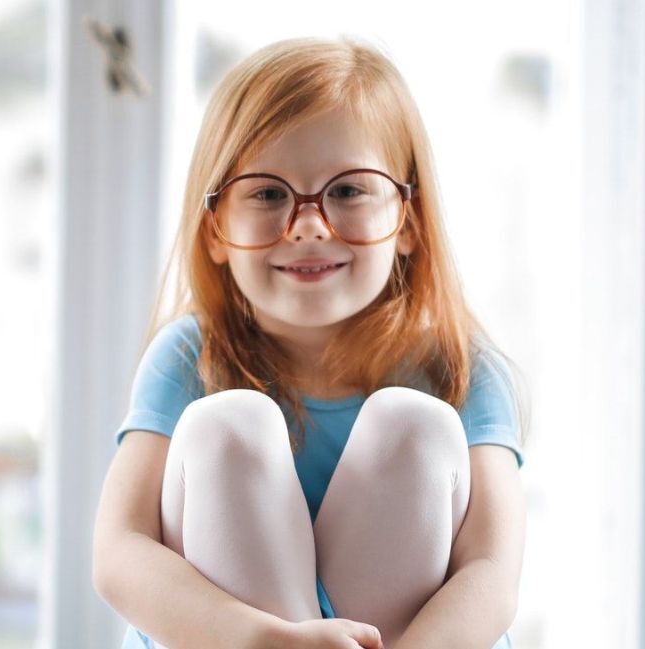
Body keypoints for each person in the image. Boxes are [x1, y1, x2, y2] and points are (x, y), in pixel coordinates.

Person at [92, 35, 528, 649]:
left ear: (408, 220)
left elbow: (492, 574)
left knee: (414, 425)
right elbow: (119, 553)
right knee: (228, 426)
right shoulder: (191, 355)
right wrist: (265, 641)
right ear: (215, 229)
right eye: (268, 194)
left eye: (348, 191)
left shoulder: (461, 367)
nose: (308, 226)